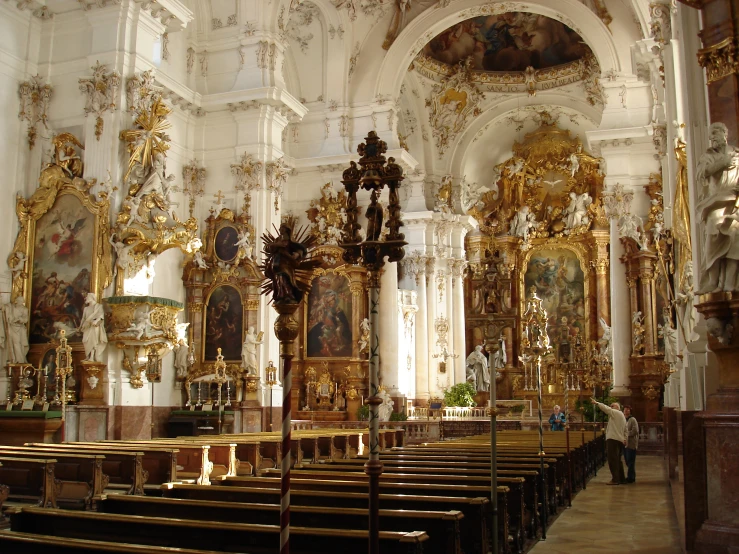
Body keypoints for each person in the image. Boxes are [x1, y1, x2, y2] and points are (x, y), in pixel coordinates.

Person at [592, 397, 627, 485]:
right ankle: (621, 478)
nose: (611, 407)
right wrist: (625, 438)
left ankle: (615, 479)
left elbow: (606, 409)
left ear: (617, 408)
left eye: (612, 406)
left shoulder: (616, 413)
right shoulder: (620, 416)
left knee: (613, 460)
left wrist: (597, 403)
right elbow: (625, 429)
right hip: (619, 439)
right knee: (618, 460)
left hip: (613, 439)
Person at [79, 293, 107, 362]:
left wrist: (96, 321)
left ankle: (92, 357)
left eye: (87, 297)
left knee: (93, 341)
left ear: (92, 298)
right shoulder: (86, 308)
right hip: (87, 326)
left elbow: (101, 315)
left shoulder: (98, 306)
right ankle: (87, 356)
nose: (86, 298)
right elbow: (83, 318)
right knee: (85, 341)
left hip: (94, 327)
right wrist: (80, 327)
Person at [623, 405, 639, 484]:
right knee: (627, 460)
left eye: (628, 409)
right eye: (625, 409)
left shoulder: (632, 419)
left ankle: (631, 477)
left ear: (630, 411)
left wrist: (626, 434)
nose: (626, 411)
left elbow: (635, 430)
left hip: (631, 443)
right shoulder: (623, 419)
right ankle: (631, 475)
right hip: (625, 443)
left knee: (631, 461)